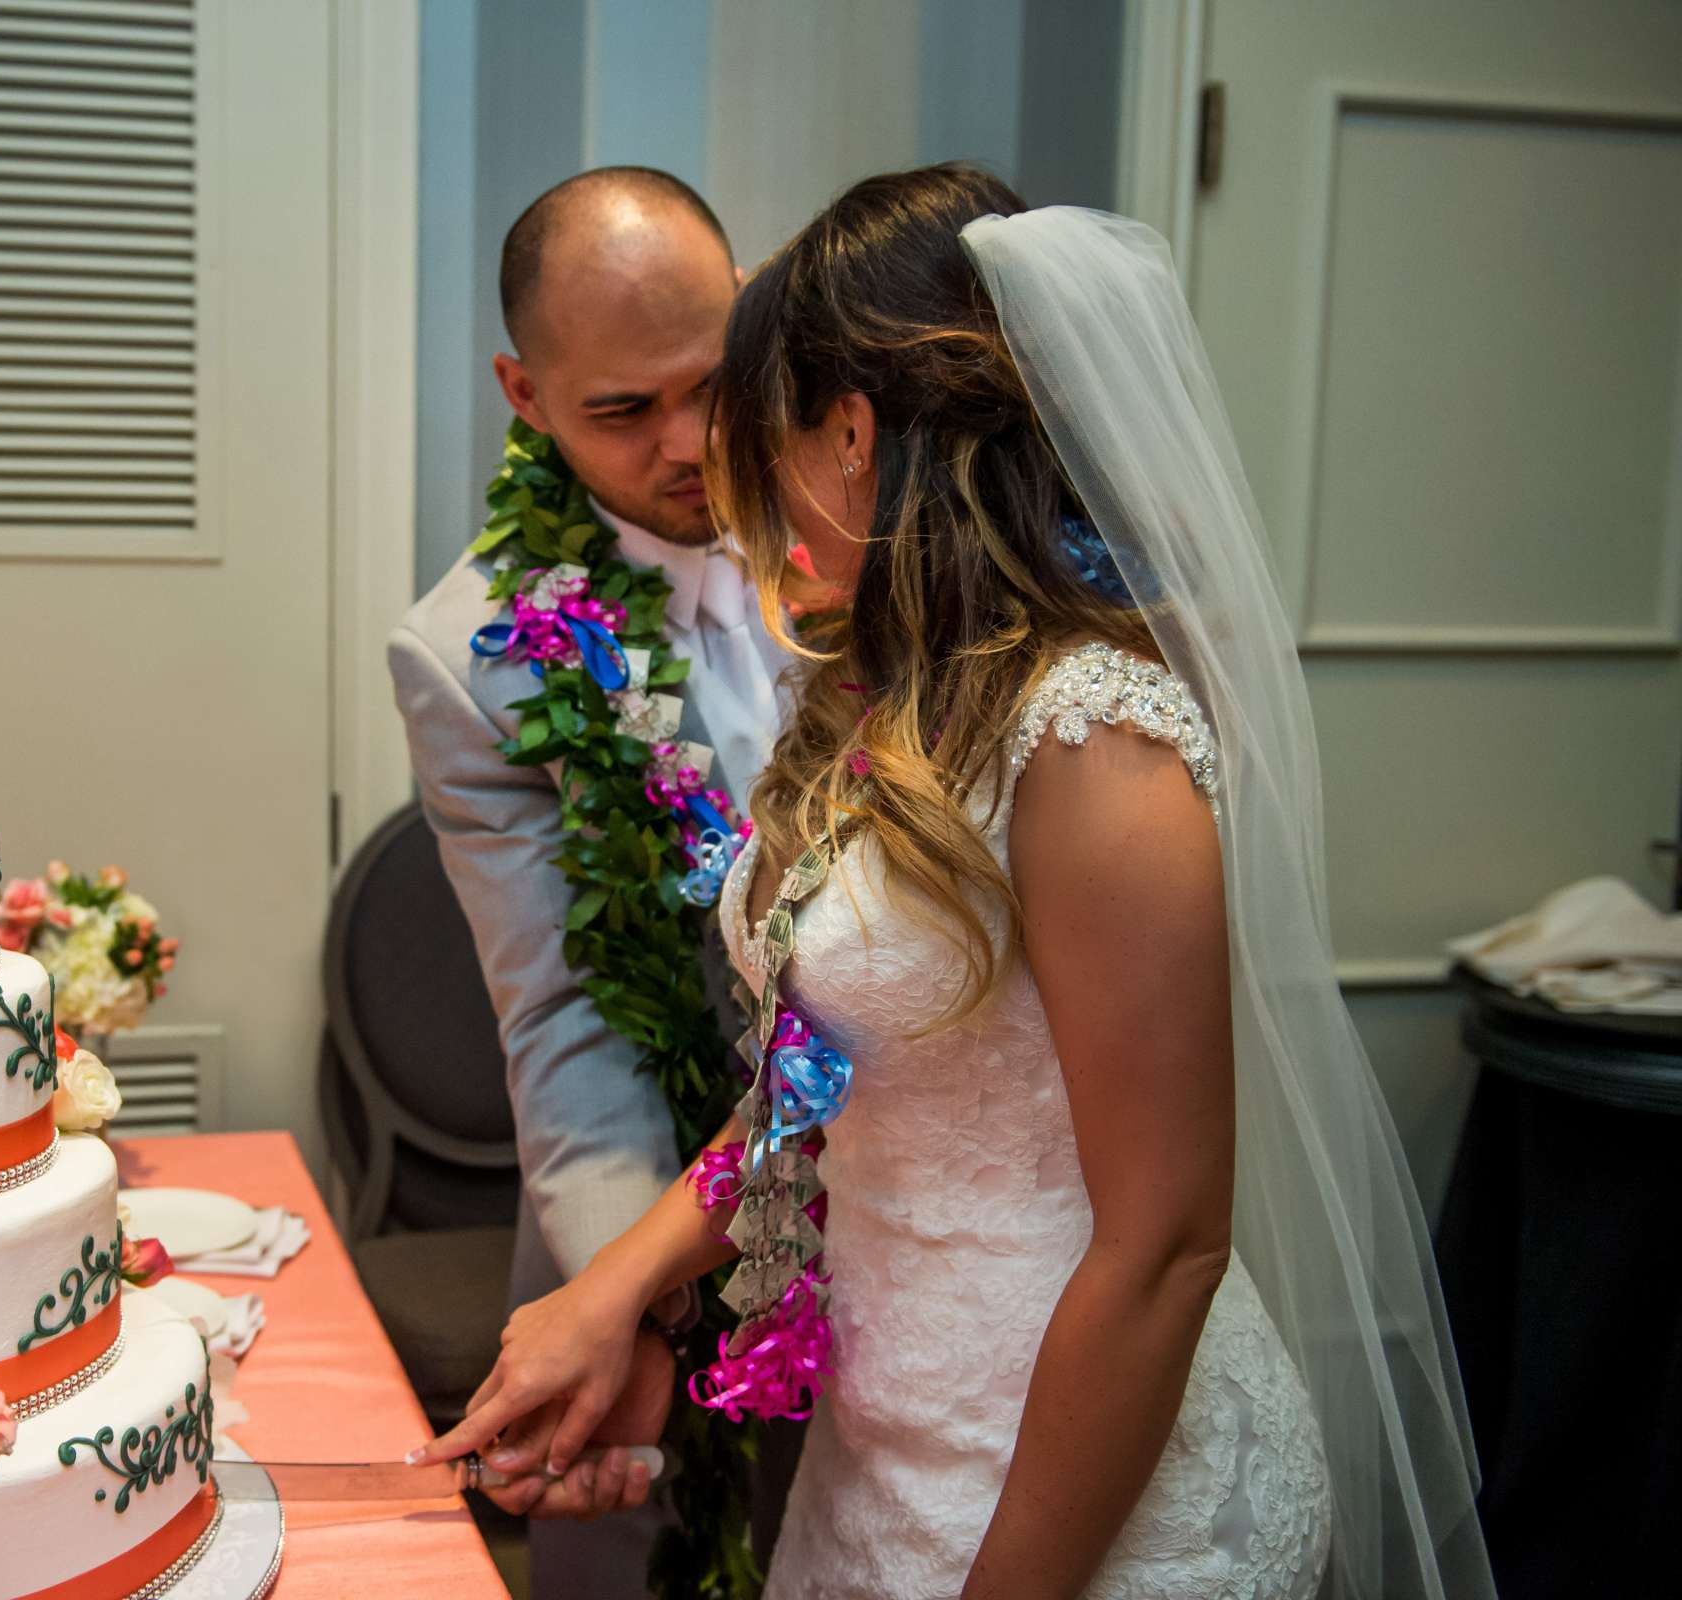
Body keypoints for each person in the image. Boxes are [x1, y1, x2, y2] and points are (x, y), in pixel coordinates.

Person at [417, 166, 1494, 1599]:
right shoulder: (881, 694)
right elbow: (828, 1071)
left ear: (850, 434)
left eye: (757, 436)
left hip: (1070, 1475)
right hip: (885, 1450)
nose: (732, 490)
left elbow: (1167, 1246)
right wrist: (617, 1284)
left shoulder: (1093, 733)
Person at [387, 167, 793, 1586]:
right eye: (624, 410)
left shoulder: (870, 501)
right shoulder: (474, 652)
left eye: (712, 382)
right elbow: (568, 1020)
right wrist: (646, 1301)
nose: (688, 444)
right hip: (662, 1223)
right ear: (525, 390)